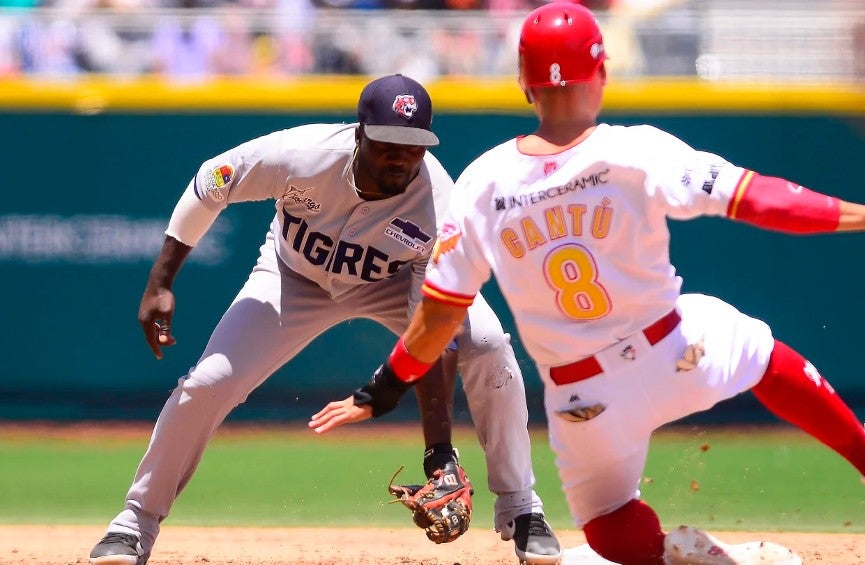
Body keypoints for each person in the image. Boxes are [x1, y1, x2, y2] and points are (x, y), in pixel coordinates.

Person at [308, 4, 865, 564]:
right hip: (675, 349)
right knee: (763, 356)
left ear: (524, 83)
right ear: (601, 73)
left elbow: (438, 320)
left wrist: (381, 389)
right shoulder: (636, 150)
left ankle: (678, 556)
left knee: (607, 527)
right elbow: (757, 199)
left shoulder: (481, 183)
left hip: (584, 398)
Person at [87, 74, 562, 565]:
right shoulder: (303, 155)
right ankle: (134, 524)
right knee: (208, 382)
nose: (401, 156)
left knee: (487, 344)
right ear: (360, 133)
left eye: (414, 145)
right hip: (293, 278)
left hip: (394, 282)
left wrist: (437, 450)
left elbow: (433, 326)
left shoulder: (439, 204)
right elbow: (211, 182)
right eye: (388, 142)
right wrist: (161, 282)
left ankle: (522, 508)